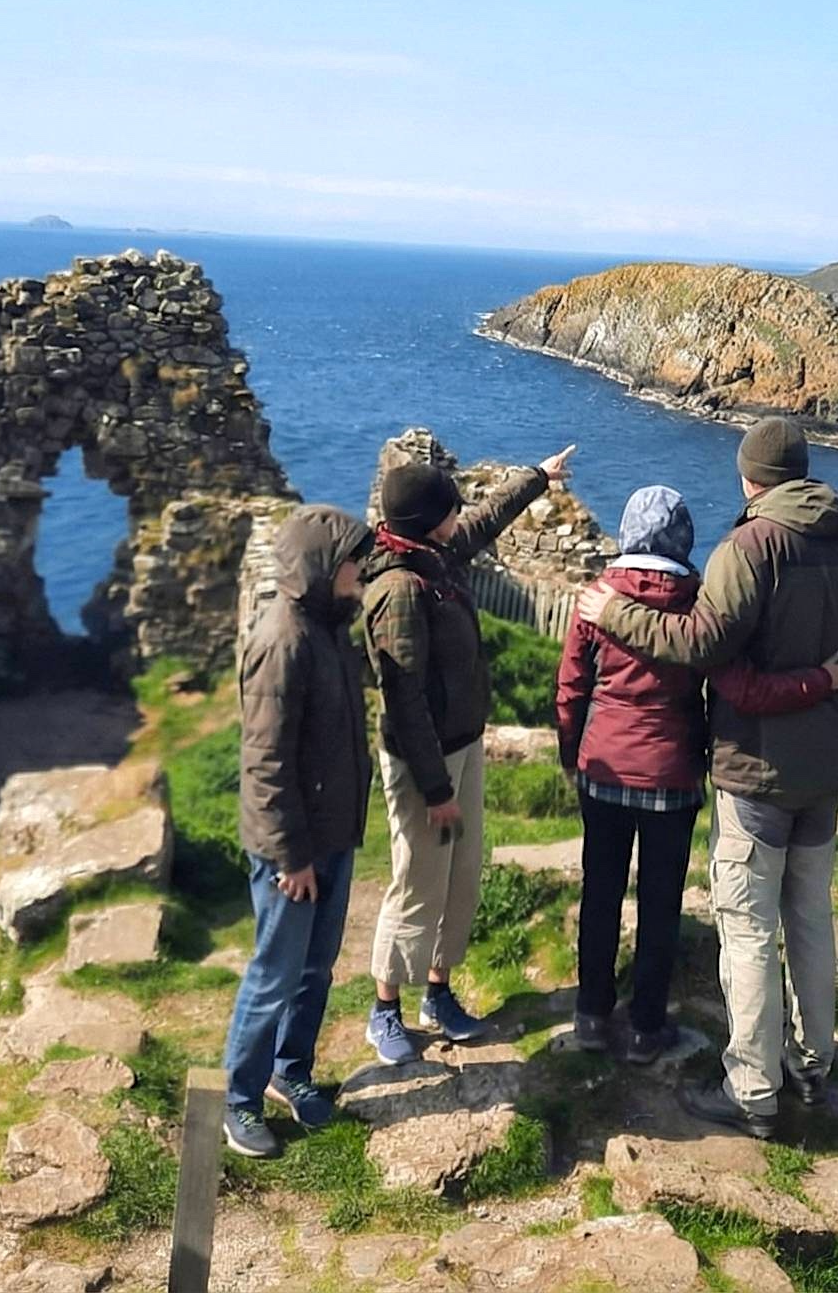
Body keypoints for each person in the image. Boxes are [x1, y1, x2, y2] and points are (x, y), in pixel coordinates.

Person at [576, 418, 838, 1139]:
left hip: (755, 770)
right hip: (823, 773)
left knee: (746, 928)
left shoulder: (750, 546)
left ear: (750, 477)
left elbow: (701, 643)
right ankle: (812, 1065)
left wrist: (614, 612)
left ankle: (752, 1089)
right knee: (810, 919)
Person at [557, 483, 838, 1065]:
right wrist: (819, 681)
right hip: (673, 774)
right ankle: (647, 1028)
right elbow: (742, 689)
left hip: (604, 770)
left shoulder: (597, 599)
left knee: (601, 891)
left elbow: (571, 689)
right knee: (661, 900)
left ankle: (591, 1015)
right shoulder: (700, 605)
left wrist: (572, 756)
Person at [364, 442, 578, 1065]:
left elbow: (484, 520)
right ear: (427, 520)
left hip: (463, 744)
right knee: (417, 882)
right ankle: (385, 1009)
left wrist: (538, 477)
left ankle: (438, 993)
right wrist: (436, 790)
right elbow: (405, 702)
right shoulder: (400, 588)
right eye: (449, 509)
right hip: (422, 764)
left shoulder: (434, 556)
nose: (459, 515)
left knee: (461, 877)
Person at [219, 504, 374, 1159]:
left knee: (315, 968)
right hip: (294, 847)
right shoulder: (283, 641)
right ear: (323, 567)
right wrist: (291, 857)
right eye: (354, 562)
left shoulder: (328, 628)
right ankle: (238, 1101)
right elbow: (265, 763)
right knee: (275, 974)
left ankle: (290, 1071)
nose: (362, 571)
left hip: (331, 832)